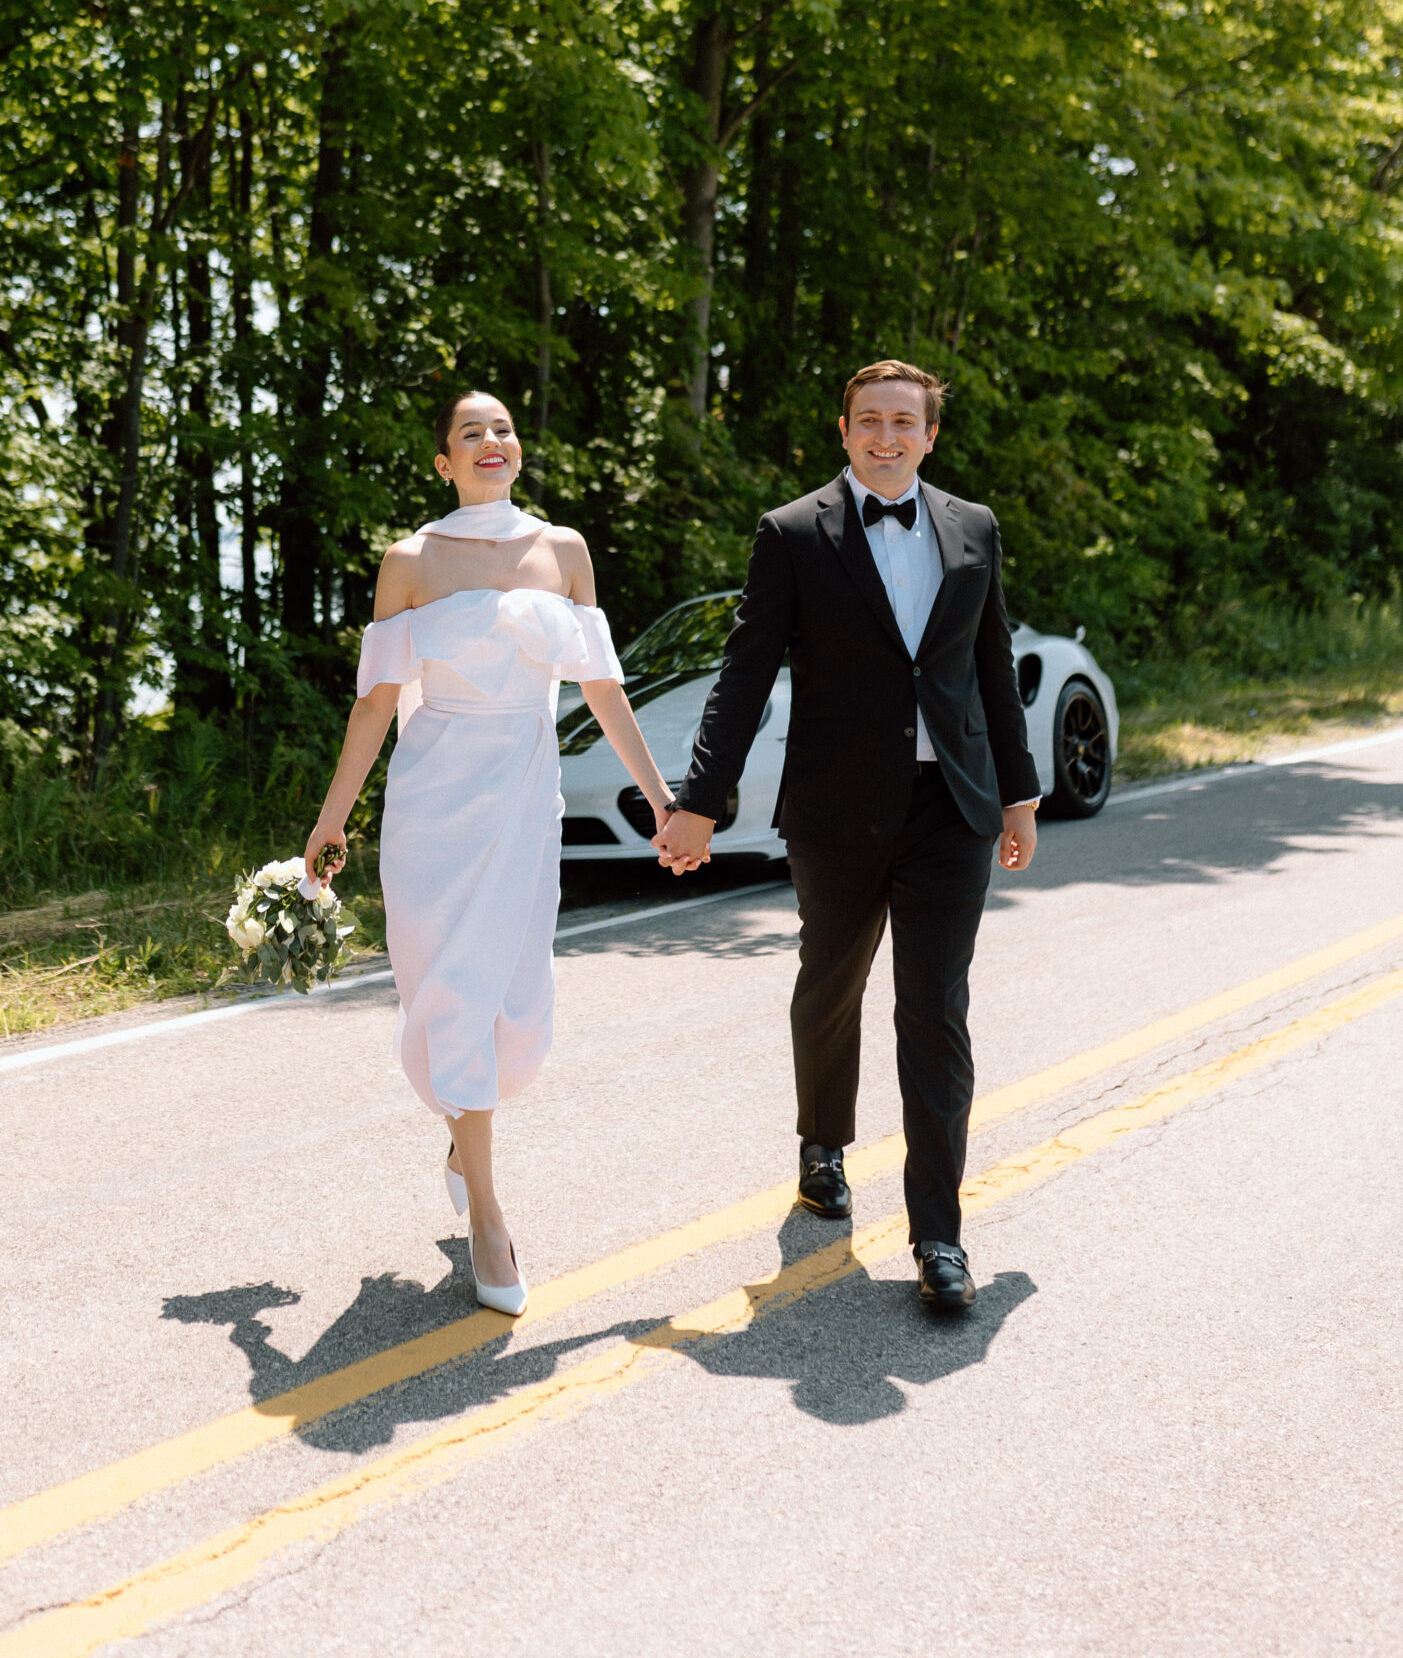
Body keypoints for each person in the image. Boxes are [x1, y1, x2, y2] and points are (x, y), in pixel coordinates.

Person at [652, 360, 1040, 1313]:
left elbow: (992, 668)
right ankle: (822, 1142)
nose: (885, 436)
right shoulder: (790, 535)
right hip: (834, 811)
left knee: (933, 1008)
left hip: (950, 807)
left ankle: (938, 1237)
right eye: (868, 420)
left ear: (929, 434)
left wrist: (1018, 794)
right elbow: (743, 673)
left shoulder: (974, 529)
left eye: (902, 422)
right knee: (830, 982)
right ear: (843, 429)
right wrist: (701, 798)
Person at [303, 389, 677, 1316]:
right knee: (453, 989)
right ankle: (489, 1215)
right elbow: (376, 703)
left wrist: (664, 801)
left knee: (516, 1008)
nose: (490, 441)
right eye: (470, 432)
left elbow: (601, 688)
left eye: (502, 429)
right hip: (433, 805)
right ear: (443, 462)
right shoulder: (411, 562)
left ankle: (462, 1139)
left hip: (521, 796)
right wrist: (331, 817)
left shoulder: (564, 550)